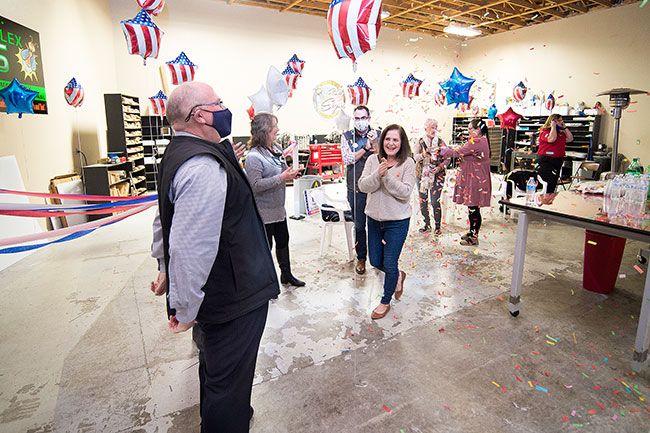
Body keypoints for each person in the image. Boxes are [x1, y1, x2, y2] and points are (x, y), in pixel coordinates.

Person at [150, 81, 280, 433]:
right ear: (201, 115)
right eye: (218, 102)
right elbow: (192, 246)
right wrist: (185, 305)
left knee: (218, 370)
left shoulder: (182, 151)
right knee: (227, 383)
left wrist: (163, 268)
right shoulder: (202, 167)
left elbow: (164, 216)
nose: (225, 107)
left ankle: (228, 412)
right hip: (233, 296)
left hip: (222, 293)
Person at [358, 124, 416, 320]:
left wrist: (387, 177)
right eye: (387, 139)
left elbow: (405, 193)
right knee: (375, 260)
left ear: (402, 143)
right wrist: (378, 174)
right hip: (373, 219)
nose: (391, 143)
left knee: (390, 262)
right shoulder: (373, 160)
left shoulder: (408, 163)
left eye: (395, 140)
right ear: (382, 141)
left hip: (397, 222)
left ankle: (385, 301)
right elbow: (363, 186)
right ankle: (398, 277)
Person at [244, 113, 305, 287]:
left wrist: (292, 172)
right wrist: (282, 177)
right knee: (265, 249)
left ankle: (286, 275)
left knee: (283, 242)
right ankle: (264, 283)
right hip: (264, 213)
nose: (277, 129)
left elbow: (282, 169)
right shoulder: (253, 157)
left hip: (279, 210)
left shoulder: (275, 148)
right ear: (265, 131)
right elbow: (255, 185)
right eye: (274, 126)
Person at [438, 118, 492, 247]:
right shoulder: (482, 140)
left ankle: (474, 237)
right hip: (476, 178)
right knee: (472, 208)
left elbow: (457, 153)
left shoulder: (477, 141)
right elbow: (465, 151)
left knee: (474, 208)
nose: (468, 131)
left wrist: (443, 150)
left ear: (478, 129)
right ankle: (472, 232)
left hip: (476, 180)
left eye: (470, 129)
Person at [340, 105, 380, 275]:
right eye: (357, 118)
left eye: (363, 118)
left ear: (369, 118)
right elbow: (347, 159)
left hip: (376, 186)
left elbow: (383, 155)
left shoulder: (378, 133)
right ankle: (361, 258)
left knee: (378, 223)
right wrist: (365, 148)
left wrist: (375, 142)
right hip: (355, 187)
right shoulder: (347, 136)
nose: (360, 122)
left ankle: (378, 258)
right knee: (359, 225)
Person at [413, 118, 447, 235]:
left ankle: (437, 226)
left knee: (434, 201)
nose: (434, 130)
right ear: (425, 128)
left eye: (435, 127)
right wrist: (424, 154)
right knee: (423, 200)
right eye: (431, 127)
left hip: (437, 175)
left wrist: (440, 167)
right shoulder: (420, 141)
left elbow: (447, 159)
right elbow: (415, 157)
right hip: (421, 175)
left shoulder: (441, 142)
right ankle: (426, 224)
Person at [537, 114, 573, 193]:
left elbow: (570, 138)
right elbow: (551, 139)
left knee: (553, 183)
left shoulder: (561, 133)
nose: (562, 122)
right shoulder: (545, 131)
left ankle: (549, 198)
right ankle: (543, 198)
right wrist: (553, 126)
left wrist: (565, 128)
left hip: (557, 160)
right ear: (553, 121)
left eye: (562, 120)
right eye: (559, 120)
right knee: (546, 182)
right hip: (546, 160)